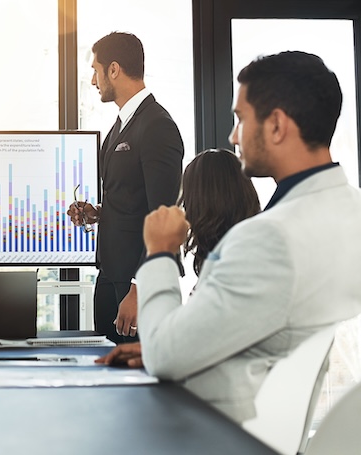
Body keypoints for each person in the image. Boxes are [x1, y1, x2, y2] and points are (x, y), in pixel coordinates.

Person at [105, 51, 361, 423]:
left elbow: (165, 358)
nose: (233, 136)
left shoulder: (266, 237)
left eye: (240, 119)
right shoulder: (351, 210)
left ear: (276, 125)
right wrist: (191, 341)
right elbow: (278, 328)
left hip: (221, 430)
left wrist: (160, 253)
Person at [67, 32, 183, 343]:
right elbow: (135, 202)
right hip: (110, 273)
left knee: (136, 387)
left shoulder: (157, 126)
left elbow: (164, 214)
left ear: (114, 69)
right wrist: (98, 213)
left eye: (96, 70)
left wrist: (139, 286)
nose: (94, 81)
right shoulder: (120, 126)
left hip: (135, 283)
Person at [95, 148, 260, 367]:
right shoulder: (241, 259)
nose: (184, 211)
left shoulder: (233, 272)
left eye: (187, 200)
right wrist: (151, 351)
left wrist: (160, 251)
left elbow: (167, 353)